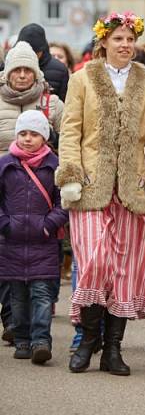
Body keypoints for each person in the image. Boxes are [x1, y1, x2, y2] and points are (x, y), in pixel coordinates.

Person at [56, 10, 145, 377]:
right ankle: (89, 340)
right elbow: (70, 130)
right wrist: (71, 173)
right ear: (103, 42)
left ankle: (114, 350)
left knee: (122, 268)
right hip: (90, 186)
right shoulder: (82, 79)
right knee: (94, 261)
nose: (125, 45)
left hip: (131, 189)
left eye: (130, 39)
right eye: (118, 38)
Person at [0, 111, 68, 365]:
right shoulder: (5, 164)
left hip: (44, 242)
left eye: (34, 134)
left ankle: (41, 340)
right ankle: (22, 339)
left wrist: (49, 224)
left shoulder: (55, 165)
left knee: (41, 294)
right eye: (24, 133)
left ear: (45, 137)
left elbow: (64, 202)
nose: (28, 139)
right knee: (17, 297)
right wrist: (5, 225)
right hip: (12, 242)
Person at [0, 41, 63, 155]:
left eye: (28, 70)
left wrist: (53, 138)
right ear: (7, 74)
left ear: (36, 74)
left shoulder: (53, 103)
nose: (22, 75)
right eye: (17, 70)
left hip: (43, 171)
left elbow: (69, 144)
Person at [17, 24, 70, 101]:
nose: (31, 54)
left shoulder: (60, 70)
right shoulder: (9, 66)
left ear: (42, 49)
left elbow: (64, 103)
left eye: (35, 51)